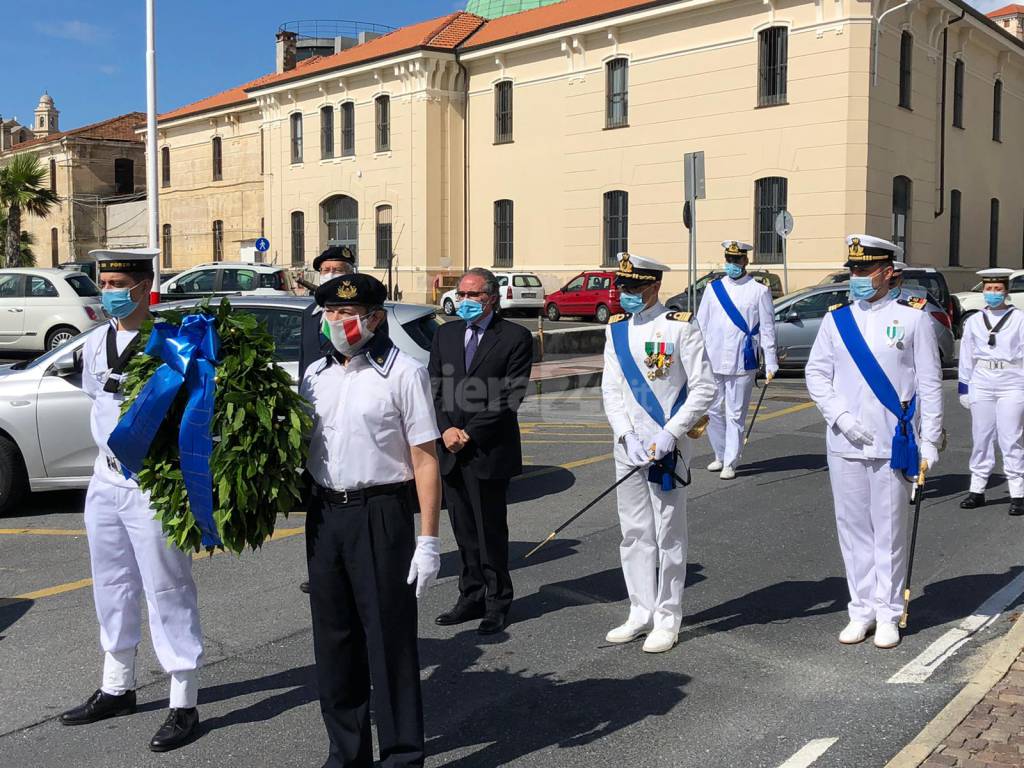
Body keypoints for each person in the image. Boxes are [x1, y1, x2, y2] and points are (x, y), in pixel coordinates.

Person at [60, 249, 203, 752]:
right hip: (105, 480)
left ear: (145, 287)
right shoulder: (97, 341)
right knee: (111, 583)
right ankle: (116, 684)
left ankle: (183, 699)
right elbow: (99, 402)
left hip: (152, 485)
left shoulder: (172, 343)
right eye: (105, 281)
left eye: (119, 281)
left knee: (167, 588)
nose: (109, 291)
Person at [301, 272, 442, 768]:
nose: (336, 323)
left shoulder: (403, 373)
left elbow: (425, 459)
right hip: (325, 516)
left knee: (389, 642)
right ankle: (347, 753)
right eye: (330, 314)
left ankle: (403, 755)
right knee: (335, 642)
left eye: (347, 314)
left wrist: (428, 540)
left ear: (375, 318)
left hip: (380, 514)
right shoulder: (315, 375)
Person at [805, 235, 942, 650]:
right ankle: (860, 609)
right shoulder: (836, 320)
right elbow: (817, 375)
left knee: (889, 531)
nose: (857, 277)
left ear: (888, 272)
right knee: (853, 530)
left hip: (893, 441)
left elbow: (931, 384)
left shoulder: (914, 319)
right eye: (854, 270)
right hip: (845, 441)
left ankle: (887, 612)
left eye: (865, 270)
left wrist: (931, 438)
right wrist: (841, 418)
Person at [601, 253, 716, 653]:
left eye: (634, 288)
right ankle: (640, 610)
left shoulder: (681, 327)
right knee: (633, 531)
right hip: (630, 445)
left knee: (669, 533)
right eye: (623, 288)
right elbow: (611, 390)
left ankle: (668, 616)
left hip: (667, 446)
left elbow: (704, 388)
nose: (627, 295)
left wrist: (671, 433)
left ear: (654, 287)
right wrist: (625, 434)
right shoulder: (616, 330)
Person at [429, 267, 533, 635]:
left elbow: (510, 395)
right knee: (462, 530)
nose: (466, 301)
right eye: (461, 294)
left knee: (490, 531)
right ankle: (469, 596)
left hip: (487, 448)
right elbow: (435, 387)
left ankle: (497, 601)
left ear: (491, 297)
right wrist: (445, 429)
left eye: (473, 295)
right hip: (451, 448)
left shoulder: (515, 337)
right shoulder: (446, 333)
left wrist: (468, 433)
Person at [297, 246, 356, 595]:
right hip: (316, 416)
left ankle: (354, 566)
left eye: (339, 268)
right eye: (326, 268)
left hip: (348, 414)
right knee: (317, 496)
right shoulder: (308, 314)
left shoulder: (362, 314)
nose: (331, 273)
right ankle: (321, 567)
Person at [696, 241, 778, 479]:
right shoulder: (713, 289)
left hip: (743, 359)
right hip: (713, 356)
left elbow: (768, 328)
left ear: (746, 261)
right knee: (712, 409)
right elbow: (701, 324)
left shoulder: (759, 290)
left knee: (735, 413)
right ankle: (720, 454)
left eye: (737, 260)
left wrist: (770, 361)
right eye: (729, 259)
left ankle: (731, 461)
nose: (732, 264)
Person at [957, 268, 1024, 516]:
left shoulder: (1019, 319)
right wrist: (964, 386)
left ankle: (1017, 492)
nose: (992, 293)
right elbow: (966, 355)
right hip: (982, 380)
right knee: (981, 437)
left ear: (1006, 291)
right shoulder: (974, 320)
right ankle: (977, 489)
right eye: (988, 289)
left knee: (1011, 438)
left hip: (1012, 381)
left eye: (997, 289)